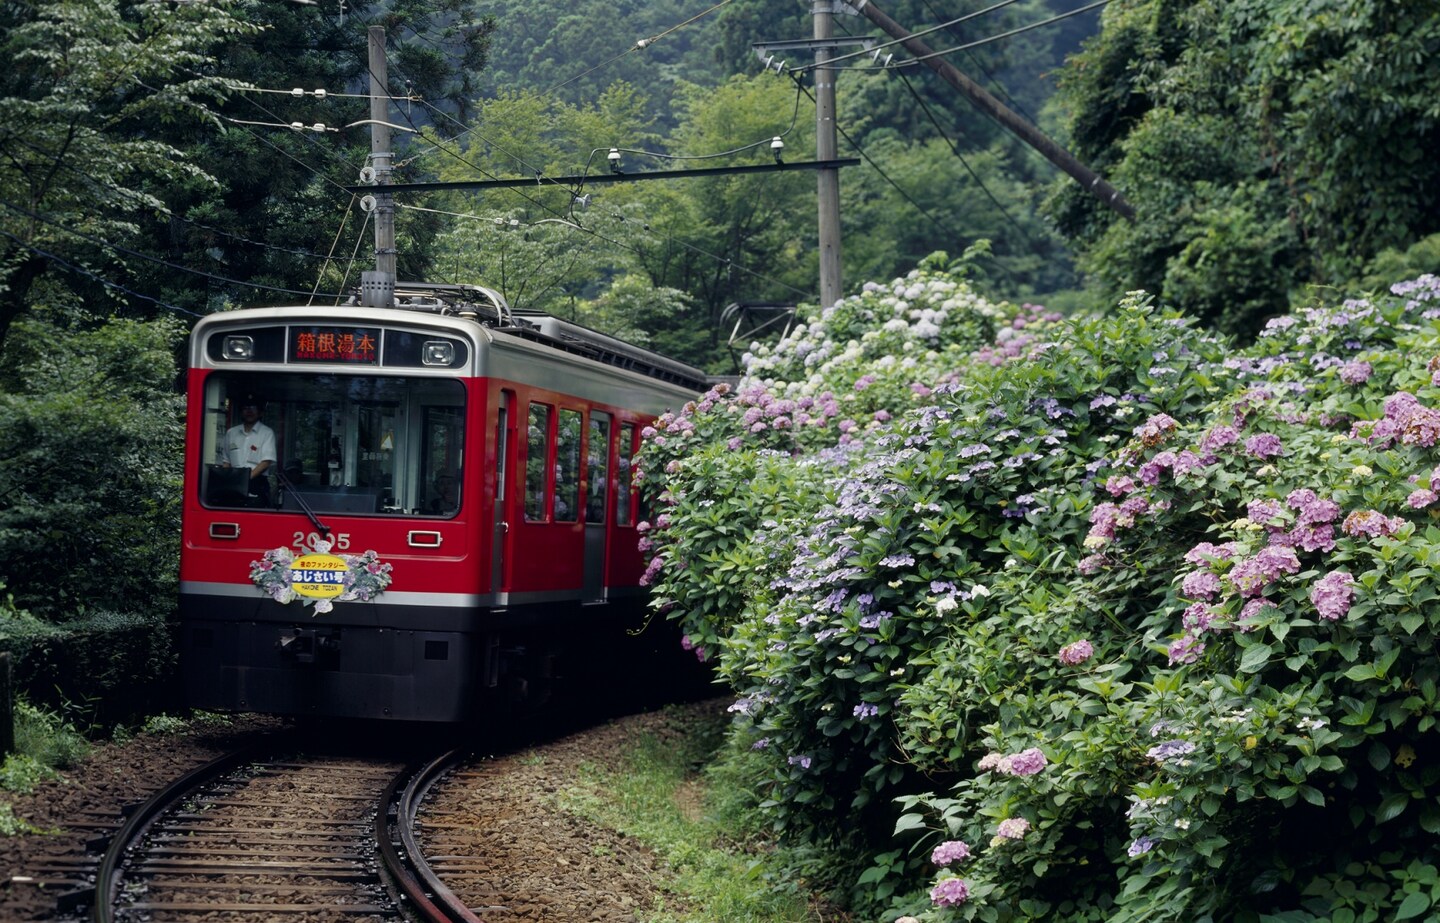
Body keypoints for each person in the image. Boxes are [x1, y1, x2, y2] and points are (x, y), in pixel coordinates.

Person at [220, 394, 276, 506]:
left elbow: (266, 462)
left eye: (253, 408)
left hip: (257, 483)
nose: (249, 411)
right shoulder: (231, 433)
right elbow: (226, 461)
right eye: (246, 408)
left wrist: (244, 479)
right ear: (241, 411)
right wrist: (229, 480)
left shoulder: (266, 433)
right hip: (233, 482)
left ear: (260, 412)